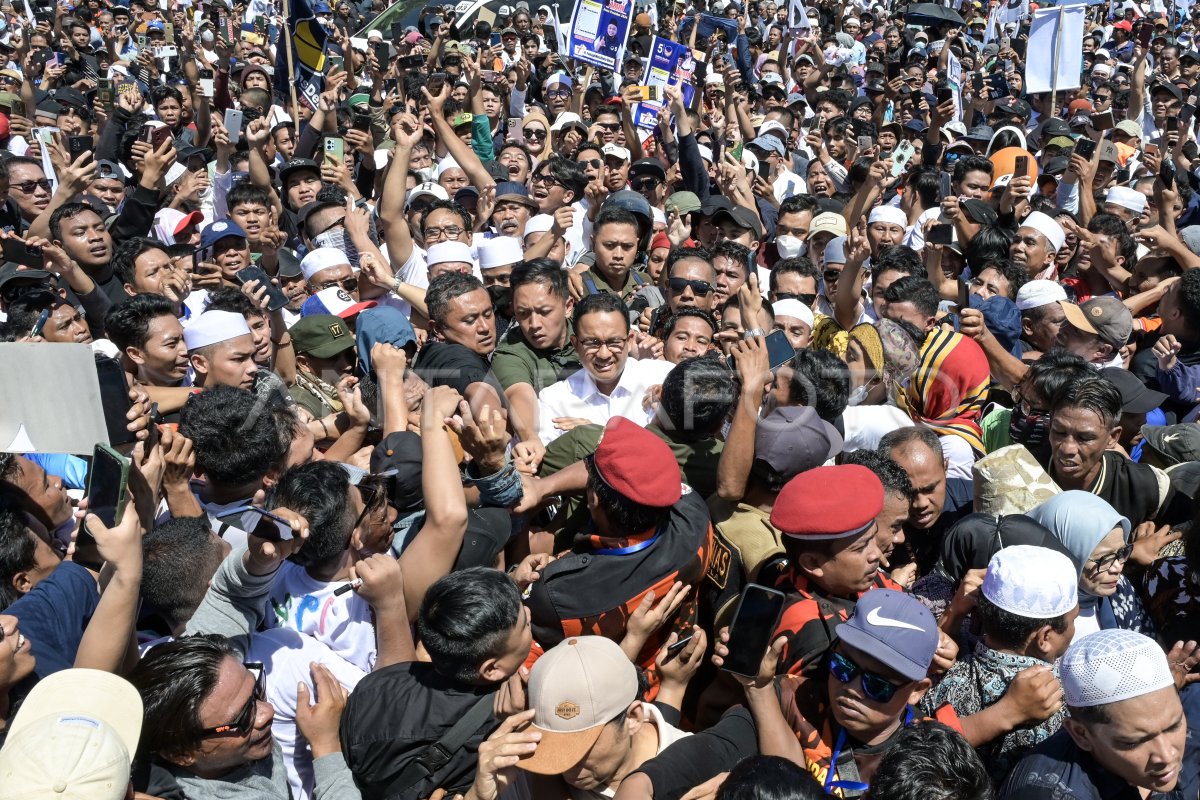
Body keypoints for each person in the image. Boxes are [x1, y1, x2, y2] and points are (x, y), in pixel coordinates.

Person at [919, 545, 1079, 783]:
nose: (1074, 629)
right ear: (1045, 637)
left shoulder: (934, 676)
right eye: (1073, 619)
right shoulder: (1062, 700)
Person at [999, 630, 1191, 800]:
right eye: (1134, 742)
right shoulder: (1046, 793)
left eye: (1174, 726)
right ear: (1080, 734)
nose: (1167, 755)